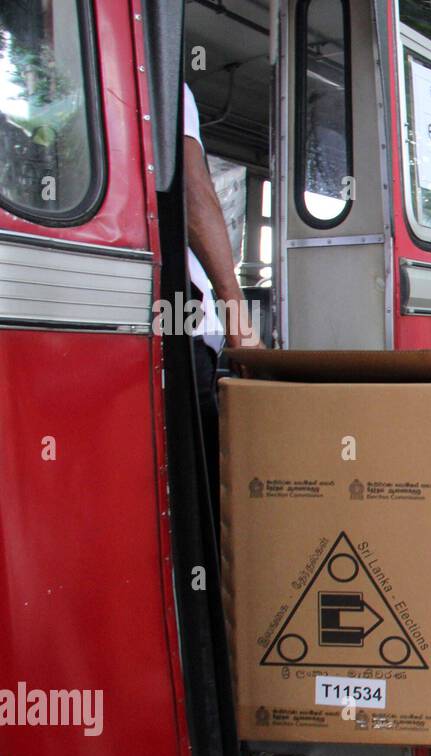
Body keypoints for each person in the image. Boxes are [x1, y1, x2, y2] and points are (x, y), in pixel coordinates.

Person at [183, 83, 259, 508]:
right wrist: (238, 320)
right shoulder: (168, 81)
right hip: (183, 330)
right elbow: (194, 193)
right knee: (209, 500)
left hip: (169, 322)